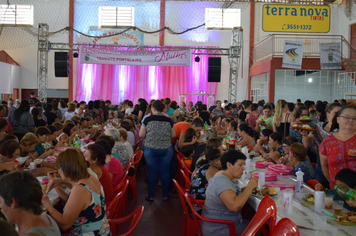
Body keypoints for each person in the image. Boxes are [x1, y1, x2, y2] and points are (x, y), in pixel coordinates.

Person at [42, 148, 110, 235]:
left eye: (59, 168)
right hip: (102, 229)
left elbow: (65, 224)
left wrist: (46, 202)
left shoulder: (79, 189)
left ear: (66, 169)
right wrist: (60, 182)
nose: (58, 171)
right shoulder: (90, 177)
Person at [201, 150, 258, 236]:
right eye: (240, 164)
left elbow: (230, 192)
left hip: (218, 223)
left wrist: (247, 188)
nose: (243, 168)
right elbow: (234, 206)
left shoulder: (221, 175)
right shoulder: (222, 181)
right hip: (220, 229)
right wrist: (249, 188)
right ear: (229, 165)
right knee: (260, 230)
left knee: (254, 222)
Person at [0, 171, 61, 236]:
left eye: (0, 202)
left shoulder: (32, 234)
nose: (1, 208)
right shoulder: (46, 217)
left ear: (12, 202)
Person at [139, 100, 176, 202]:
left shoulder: (147, 120)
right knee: (165, 172)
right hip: (166, 149)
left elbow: (141, 135)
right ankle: (165, 195)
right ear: (162, 109)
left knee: (152, 172)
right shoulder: (169, 120)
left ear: (153, 108)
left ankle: (151, 196)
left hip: (150, 149)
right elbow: (173, 135)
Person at [301, 102, 342, 190]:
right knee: (318, 193)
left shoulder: (342, 130)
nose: (338, 115)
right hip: (320, 166)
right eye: (336, 112)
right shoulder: (318, 127)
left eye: (341, 113)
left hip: (336, 168)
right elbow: (307, 144)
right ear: (328, 114)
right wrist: (304, 135)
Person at [319, 106, 356, 190]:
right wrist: (333, 182)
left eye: (354, 118)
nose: (351, 120)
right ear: (338, 119)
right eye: (347, 117)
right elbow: (324, 165)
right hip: (337, 190)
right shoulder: (327, 141)